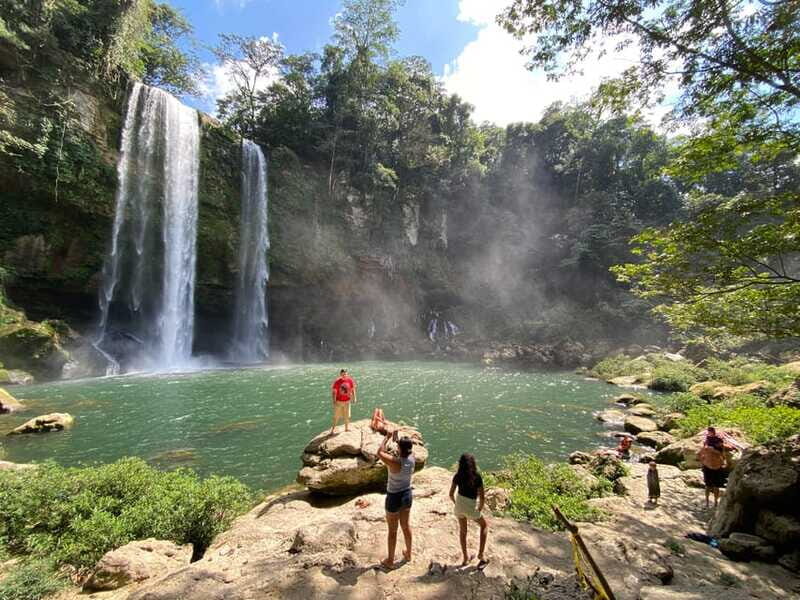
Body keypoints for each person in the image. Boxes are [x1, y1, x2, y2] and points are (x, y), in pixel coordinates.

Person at [377, 431, 415, 569]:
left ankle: (390, 560)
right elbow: (404, 450)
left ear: (399, 449)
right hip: (406, 494)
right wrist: (397, 440)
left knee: (392, 531)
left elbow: (379, 452)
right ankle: (409, 553)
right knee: (406, 526)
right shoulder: (412, 458)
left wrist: (386, 438)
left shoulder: (394, 463)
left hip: (393, 497)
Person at [449, 453, 489, 569]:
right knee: (484, 526)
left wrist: (456, 503)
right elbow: (482, 497)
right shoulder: (477, 477)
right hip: (470, 507)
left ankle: (465, 558)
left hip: (459, 506)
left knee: (463, 531)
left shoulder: (457, 476)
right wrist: (480, 508)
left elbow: (451, 494)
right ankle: (481, 554)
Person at [697, 437, 727, 508]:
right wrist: (703, 461)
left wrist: (725, 463)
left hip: (717, 468)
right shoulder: (708, 448)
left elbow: (723, 457)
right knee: (708, 486)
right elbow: (699, 454)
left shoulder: (721, 448)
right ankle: (707, 502)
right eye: (719, 444)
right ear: (716, 443)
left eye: (721, 444)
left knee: (716, 486)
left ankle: (716, 502)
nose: (721, 445)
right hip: (708, 468)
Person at [330, 369, 357, 435]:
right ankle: (332, 430)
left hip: (347, 401)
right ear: (340, 374)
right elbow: (334, 392)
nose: (344, 375)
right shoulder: (337, 381)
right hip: (339, 402)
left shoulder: (350, 380)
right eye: (343, 374)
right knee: (336, 417)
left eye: (345, 374)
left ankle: (346, 428)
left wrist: (355, 398)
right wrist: (334, 401)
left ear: (347, 374)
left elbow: (353, 389)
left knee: (347, 416)